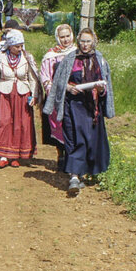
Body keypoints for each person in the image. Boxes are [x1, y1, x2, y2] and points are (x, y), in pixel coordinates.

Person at [42, 29, 115, 195]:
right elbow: (58, 83)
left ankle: (83, 173)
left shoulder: (100, 60)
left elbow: (107, 85)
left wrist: (100, 90)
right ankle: (74, 177)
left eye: (88, 41)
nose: (85, 45)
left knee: (90, 140)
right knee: (75, 139)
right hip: (73, 106)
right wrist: (69, 88)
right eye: (82, 41)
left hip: (92, 108)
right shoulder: (69, 59)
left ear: (94, 42)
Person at [0, 29, 40, 168]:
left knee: (20, 124)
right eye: (17, 46)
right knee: (4, 122)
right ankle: (4, 156)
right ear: (10, 45)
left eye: (21, 45)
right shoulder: (0, 58)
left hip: (23, 95)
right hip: (4, 94)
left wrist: (34, 95)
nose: (20, 48)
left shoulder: (27, 58)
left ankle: (16, 155)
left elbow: (33, 77)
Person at [39, 23, 78, 162]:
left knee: (73, 125)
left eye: (68, 36)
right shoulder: (51, 55)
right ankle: (60, 154)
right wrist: (54, 91)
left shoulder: (78, 53)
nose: (66, 40)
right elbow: (45, 76)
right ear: (57, 37)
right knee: (58, 125)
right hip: (56, 96)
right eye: (62, 37)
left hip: (74, 96)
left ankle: (72, 156)